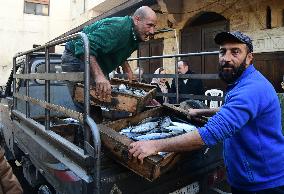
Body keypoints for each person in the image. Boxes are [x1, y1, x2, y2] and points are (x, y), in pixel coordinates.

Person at [129, 31, 284, 194]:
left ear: (249, 58)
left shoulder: (251, 89)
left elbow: (211, 133)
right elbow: (234, 110)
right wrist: (202, 111)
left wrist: (154, 145)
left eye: (235, 52)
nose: (227, 58)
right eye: (223, 51)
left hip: (263, 183)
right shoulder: (243, 82)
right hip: (248, 177)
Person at [61, 6, 157, 101]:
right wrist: (99, 76)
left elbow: (119, 51)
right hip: (75, 56)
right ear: (137, 20)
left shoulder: (135, 35)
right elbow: (82, 45)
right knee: (90, 102)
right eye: (149, 25)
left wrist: (128, 71)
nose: (152, 31)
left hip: (93, 59)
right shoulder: (118, 28)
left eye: (154, 26)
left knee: (101, 97)